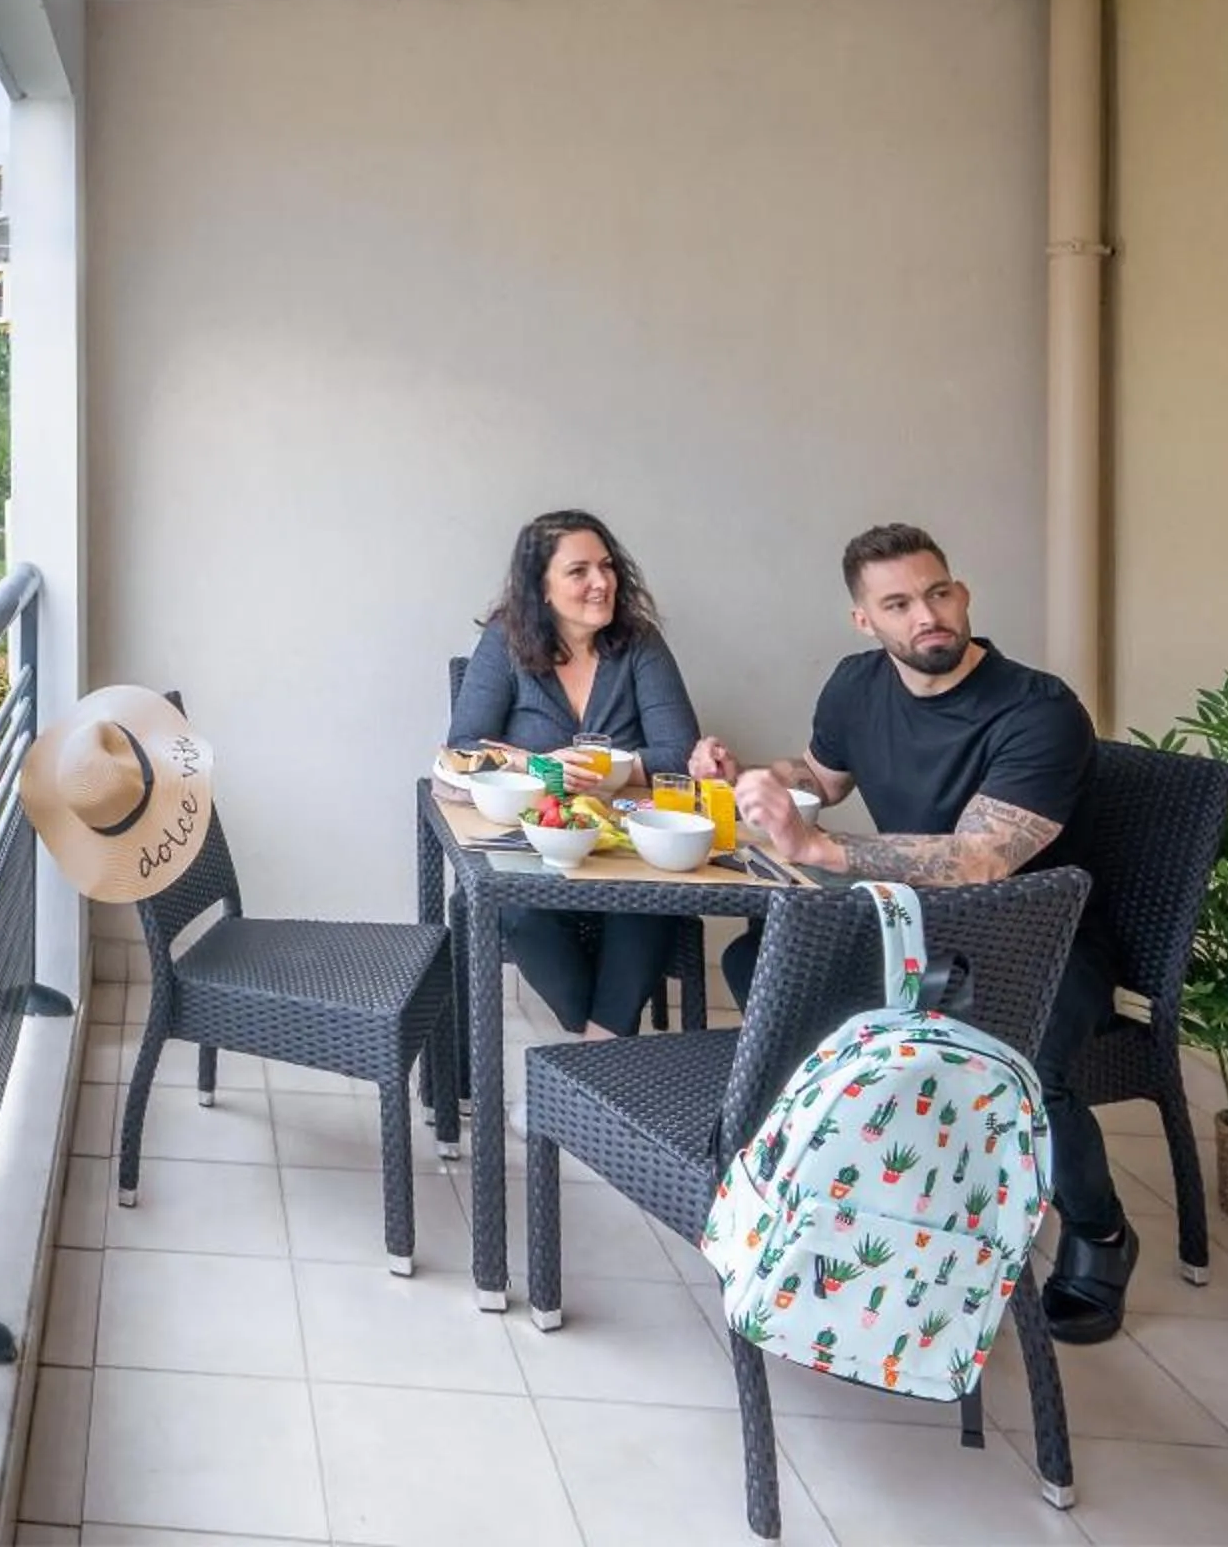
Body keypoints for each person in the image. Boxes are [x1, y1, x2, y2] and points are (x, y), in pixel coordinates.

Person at [691, 523, 1129, 1344]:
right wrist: (756, 779)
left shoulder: (1040, 710)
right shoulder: (856, 686)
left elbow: (985, 858)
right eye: (898, 603)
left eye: (938, 593)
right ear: (867, 621)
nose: (926, 615)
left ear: (960, 595)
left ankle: (1099, 1230)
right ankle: (870, 1174)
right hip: (913, 926)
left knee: (1028, 1058)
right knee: (764, 963)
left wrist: (820, 847)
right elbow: (821, 775)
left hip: (1039, 939)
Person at [449, 510, 701, 1040]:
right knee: (519, 910)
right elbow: (463, 746)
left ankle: (587, 1058)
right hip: (537, 843)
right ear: (540, 587)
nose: (601, 582)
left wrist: (612, 771)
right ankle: (599, 1055)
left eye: (607, 567)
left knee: (650, 904)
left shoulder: (639, 644)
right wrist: (543, 765)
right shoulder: (506, 642)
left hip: (627, 848)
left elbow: (680, 753)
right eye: (579, 571)